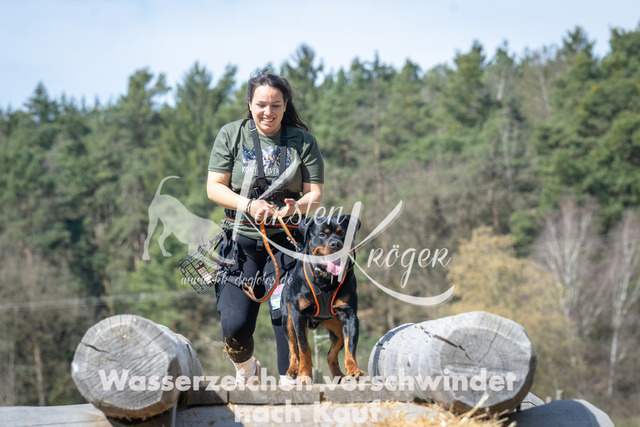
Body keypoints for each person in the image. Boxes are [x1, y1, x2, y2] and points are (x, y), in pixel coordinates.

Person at [206, 68, 324, 385]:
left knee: (286, 315)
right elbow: (214, 188)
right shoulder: (231, 135)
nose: (267, 112)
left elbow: (315, 194)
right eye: (261, 104)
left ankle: (292, 383)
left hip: (287, 244)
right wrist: (248, 205)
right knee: (234, 326)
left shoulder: (304, 142)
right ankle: (247, 369)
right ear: (250, 103)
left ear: (285, 106)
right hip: (240, 245)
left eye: (275, 105)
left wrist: (295, 208)